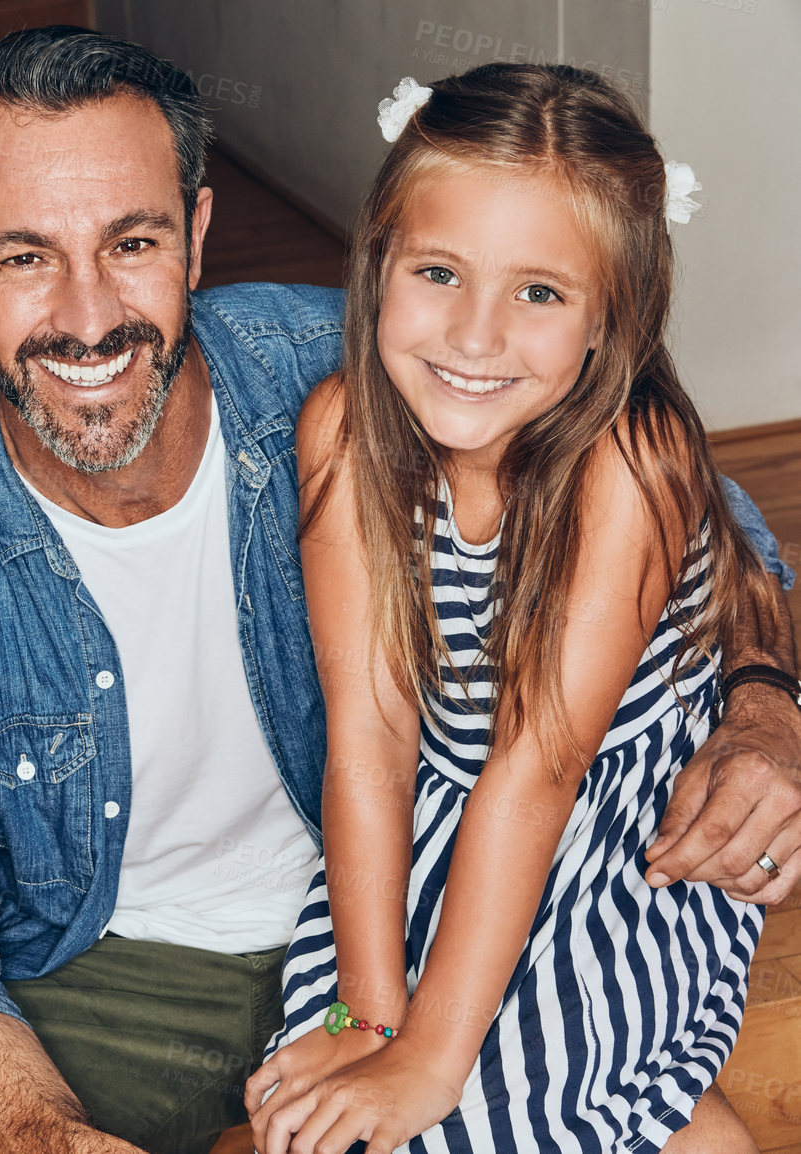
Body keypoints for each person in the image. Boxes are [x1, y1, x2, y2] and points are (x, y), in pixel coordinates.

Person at [0, 27, 801, 1154]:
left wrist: (765, 698)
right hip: (158, 964)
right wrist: (51, 1135)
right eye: (24, 256)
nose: (85, 315)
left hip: (512, 875)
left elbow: (710, 525)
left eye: (131, 240)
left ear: (196, 237)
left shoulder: (365, 364)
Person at [247, 64, 775, 1154]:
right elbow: (373, 740)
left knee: (480, 1108)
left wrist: (430, 1064)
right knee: (335, 1102)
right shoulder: (343, 434)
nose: (474, 338)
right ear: (379, 261)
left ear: (609, 321)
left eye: (540, 292)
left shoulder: (634, 459)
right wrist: (374, 1014)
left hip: (606, 844)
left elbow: (539, 772)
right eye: (439, 271)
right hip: (449, 825)